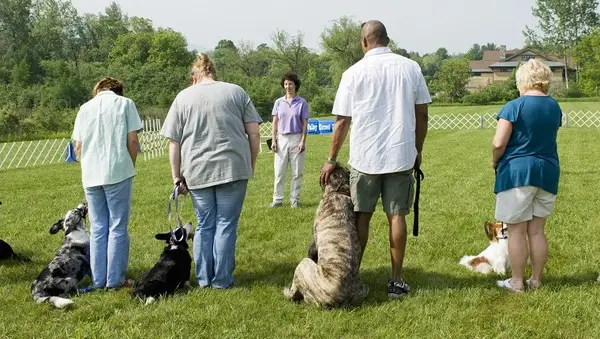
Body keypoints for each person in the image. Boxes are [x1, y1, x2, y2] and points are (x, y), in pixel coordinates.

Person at [319, 20, 431, 299]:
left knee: (362, 217)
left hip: (365, 156)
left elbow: (342, 121)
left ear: (364, 42)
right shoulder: (411, 67)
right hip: (401, 154)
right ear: (386, 39)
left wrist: (331, 158)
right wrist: (417, 150)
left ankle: (352, 276)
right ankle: (396, 280)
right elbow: (422, 115)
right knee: (397, 216)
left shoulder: (353, 72)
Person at [161, 53, 262, 289]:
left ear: (194, 76)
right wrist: (251, 162)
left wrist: (176, 177)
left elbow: (173, 142)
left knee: (204, 225)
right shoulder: (236, 91)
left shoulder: (183, 97)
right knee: (226, 224)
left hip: (197, 170)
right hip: (233, 166)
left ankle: (204, 279)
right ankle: (222, 279)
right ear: (213, 72)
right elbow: (254, 133)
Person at [492, 59, 562, 293]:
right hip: (548, 171)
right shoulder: (554, 107)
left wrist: (495, 161)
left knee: (516, 231)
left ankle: (517, 282)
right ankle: (536, 279)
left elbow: (499, 142)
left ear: (522, 80)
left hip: (518, 173)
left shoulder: (514, 106)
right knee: (537, 230)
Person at [72, 77, 143, 290]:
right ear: (118, 91)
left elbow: (78, 147)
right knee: (117, 226)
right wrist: (129, 164)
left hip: (91, 174)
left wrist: (87, 165)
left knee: (98, 227)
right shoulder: (126, 104)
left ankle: (98, 279)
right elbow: (132, 140)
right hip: (118, 170)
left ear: (98, 90)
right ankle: (115, 280)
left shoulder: (84, 108)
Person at [270, 72, 309, 208]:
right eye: (286, 84)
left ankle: (294, 199)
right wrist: (274, 140)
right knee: (279, 171)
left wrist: (303, 141)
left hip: (297, 137)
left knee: (297, 172)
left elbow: (304, 123)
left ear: (295, 85)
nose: (288, 87)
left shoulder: (302, 102)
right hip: (281, 138)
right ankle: (277, 199)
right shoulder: (278, 102)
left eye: (290, 84)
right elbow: (275, 122)